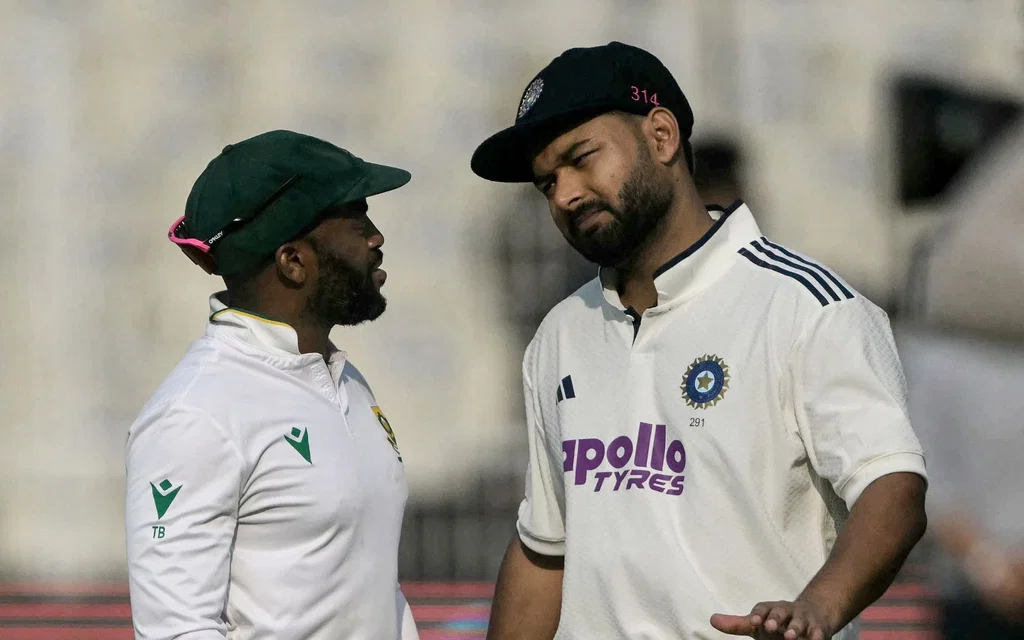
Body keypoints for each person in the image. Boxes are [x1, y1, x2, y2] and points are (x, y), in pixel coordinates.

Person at [470, 42, 928, 640]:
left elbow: (891, 487)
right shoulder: (561, 334)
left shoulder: (806, 306)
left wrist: (819, 607)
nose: (564, 194)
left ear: (661, 137)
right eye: (546, 182)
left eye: (582, 159)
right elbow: (544, 552)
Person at [125, 130, 419, 640]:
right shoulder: (195, 414)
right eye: (356, 221)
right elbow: (177, 631)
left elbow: (373, 591)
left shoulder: (344, 379)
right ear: (293, 261)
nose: (376, 238)